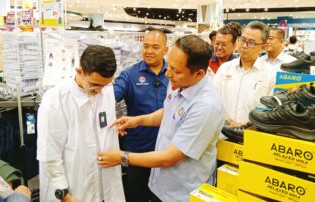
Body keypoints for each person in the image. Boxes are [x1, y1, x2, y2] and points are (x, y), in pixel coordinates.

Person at [98, 35, 225, 202]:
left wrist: (122, 157)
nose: (168, 74)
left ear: (199, 73)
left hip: (183, 193)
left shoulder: (206, 107)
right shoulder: (179, 84)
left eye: (176, 70)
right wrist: (138, 120)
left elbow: (170, 157)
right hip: (161, 185)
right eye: (169, 66)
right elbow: (170, 111)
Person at [37, 45, 125, 202]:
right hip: (74, 190)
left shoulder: (106, 92)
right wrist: (64, 195)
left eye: (104, 85)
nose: (99, 90)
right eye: (94, 84)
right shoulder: (56, 100)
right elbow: (49, 153)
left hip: (107, 187)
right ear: (79, 71)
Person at [113, 30, 168, 202]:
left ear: (166, 49)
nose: (149, 51)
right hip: (138, 149)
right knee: (137, 196)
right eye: (145, 46)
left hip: (168, 149)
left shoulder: (175, 73)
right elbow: (111, 97)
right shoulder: (130, 74)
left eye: (155, 47)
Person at [213, 21, 275, 125]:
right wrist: (230, 123)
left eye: (251, 42)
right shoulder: (225, 69)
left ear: (263, 47)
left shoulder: (271, 75)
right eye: (242, 40)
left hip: (253, 136)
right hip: (222, 133)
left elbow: (271, 111)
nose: (244, 46)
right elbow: (214, 100)